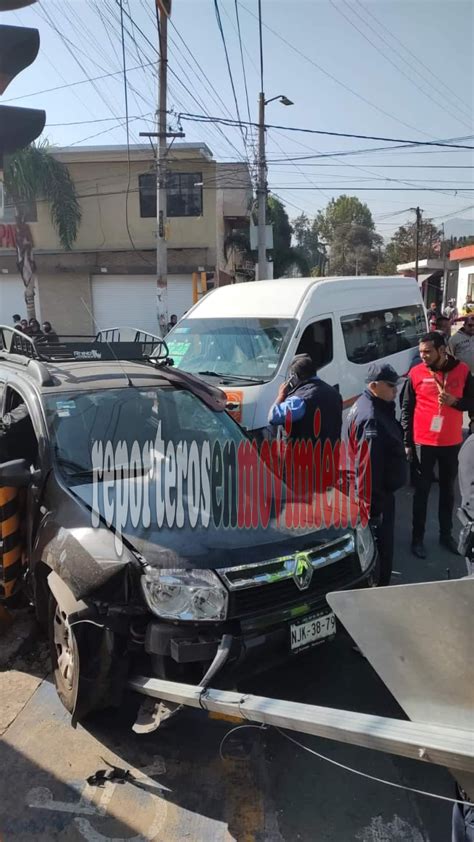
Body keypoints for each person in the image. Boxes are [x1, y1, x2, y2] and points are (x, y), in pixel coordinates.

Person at [401, 331, 474, 559]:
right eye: (421, 352)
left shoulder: (462, 371)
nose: (423, 356)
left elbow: (472, 402)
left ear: (442, 350)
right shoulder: (416, 373)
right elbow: (406, 409)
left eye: (428, 352)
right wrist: (407, 442)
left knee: (447, 492)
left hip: (451, 442)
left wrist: (456, 402)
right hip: (423, 442)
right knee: (421, 493)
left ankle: (446, 535)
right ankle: (417, 539)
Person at [343, 363, 406, 586]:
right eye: (391, 386)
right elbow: (367, 469)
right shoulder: (370, 417)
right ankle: (378, 591)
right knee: (380, 552)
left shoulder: (372, 406)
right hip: (376, 500)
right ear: (374, 385)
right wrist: (372, 509)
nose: (395, 390)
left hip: (376, 495)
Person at [268, 353, 342, 449]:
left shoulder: (299, 401)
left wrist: (281, 395)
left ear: (294, 376)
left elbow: (272, 417)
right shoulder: (334, 393)